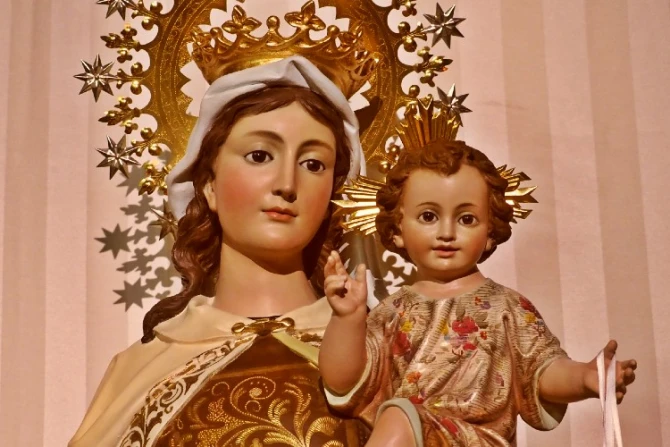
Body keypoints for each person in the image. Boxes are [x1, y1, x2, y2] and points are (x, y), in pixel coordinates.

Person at [68, 56, 370, 447]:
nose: (286, 183)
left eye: (313, 164)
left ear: (332, 195)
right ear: (209, 185)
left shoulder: (376, 351)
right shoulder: (144, 368)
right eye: (260, 156)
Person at [319, 139, 638, 446]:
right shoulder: (393, 311)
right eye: (429, 216)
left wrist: (586, 377)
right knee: (399, 417)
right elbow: (343, 382)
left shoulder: (506, 308)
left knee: (399, 418)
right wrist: (347, 318)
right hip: (410, 436)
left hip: (478, 441)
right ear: (398, 229)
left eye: (466, 219)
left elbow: (542, 370)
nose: (446, 233)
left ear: (490, 231)